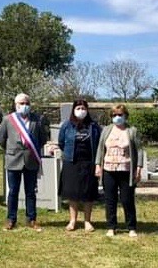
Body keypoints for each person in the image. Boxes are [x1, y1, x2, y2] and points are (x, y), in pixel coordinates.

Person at [0, 93, 47, 232]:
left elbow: (42, 139)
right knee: (13, 191)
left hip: (31, 160)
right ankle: (11, 219)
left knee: (31, 192)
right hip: (13, 160)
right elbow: (1, 139)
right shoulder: (8, 119)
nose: (25, 106)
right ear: (16, 105)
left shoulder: (37, 120)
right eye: (21, 103)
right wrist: (12, 150)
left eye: (27, 103)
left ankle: (31, 219)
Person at [95, 104, 143, 238]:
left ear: (125, 116)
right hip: (108, 169)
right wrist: (98, 165)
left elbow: (139, 150)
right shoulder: (106, 130)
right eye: (114, 115)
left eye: (120, 115)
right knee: (110, 199)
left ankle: (131, 227)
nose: (117, 117)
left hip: (126, 170)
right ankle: (111, 226)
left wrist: (138, 167)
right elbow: (100, 148)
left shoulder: (132, 131)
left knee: (127, 199)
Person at [58, 99, 102, 232]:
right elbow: (61, 142)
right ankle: (72, 220)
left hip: (89, 162)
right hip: (72, 162)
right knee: (73, 193)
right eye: (78, 108)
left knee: (88, 192)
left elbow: (99, 143)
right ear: (73, 110)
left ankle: (87, 221)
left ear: (87, 110)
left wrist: (97, 163)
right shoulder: (67, 125)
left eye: (83, 108)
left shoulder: (94, 126)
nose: (81, 111)